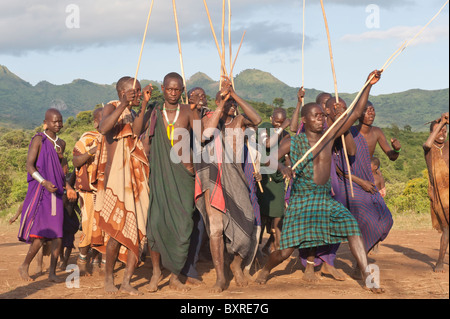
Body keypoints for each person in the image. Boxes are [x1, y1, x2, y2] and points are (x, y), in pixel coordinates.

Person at [256, 70, 385, 294]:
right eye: (316, 116)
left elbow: (354, 113)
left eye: (322, 116)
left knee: (352, 227)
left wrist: (367, 85)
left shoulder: (329, 137)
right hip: (301, 201)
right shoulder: (294, 142)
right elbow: (268, 159)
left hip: (324, 198)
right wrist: (284, 167)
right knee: (285, 251)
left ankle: (368, 278)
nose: (320, 119)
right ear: (304, 120)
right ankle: (266, 269)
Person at [195, 77, 262, 293]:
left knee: (246, 222)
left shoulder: (240, 121)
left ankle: (236, 264)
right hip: (214, 181)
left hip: (236, 180)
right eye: (227, 103)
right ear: (216, 103)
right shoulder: (208, 119)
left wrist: (234, 96)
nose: (231, 106)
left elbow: (257, 118)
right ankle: (220, 277)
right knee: (215, 230)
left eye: (232, 103)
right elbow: (206, 134)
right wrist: (222, 104)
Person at [93, 77, 151, 295]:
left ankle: (127, 281)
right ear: (121, 92)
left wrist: (143, 104)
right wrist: (125, 104)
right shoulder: (111, 107)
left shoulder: (134, 112)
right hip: (115, 181)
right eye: (134, 92)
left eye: (138, 92)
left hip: (136, 179)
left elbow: (136, 132)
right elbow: (104, 128)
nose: (137, 95)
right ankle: (109, 278)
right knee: (117, 233)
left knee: (138, 231)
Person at [146, 72, 201, 292]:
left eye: (177, 89)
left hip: (183, 175)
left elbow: (202, 137)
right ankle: (156, 272)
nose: (172, 93)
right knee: (156, 224)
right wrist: (143, 104)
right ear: (162, 88)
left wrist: (201, 110)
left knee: (183, 225)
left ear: (182, 90)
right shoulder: (154, 112)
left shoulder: (188, 111)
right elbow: (138, 128)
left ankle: (175, 276)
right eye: (169, 89)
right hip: (159, 174)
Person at [18, 108, 77, 282]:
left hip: (57, 193)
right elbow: (30, 166)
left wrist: (68, 187)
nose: (58, 124)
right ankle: (24, 265)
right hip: (41, 191)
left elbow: (60, 172)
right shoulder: (39, 140)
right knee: (41, 233)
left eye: (60, 121)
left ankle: (52, 272)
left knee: (58, 234)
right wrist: (43, 182)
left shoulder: (62, 143)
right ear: (46, 122)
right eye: (54, 121)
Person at [334, 101, 394, 257]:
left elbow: (391, 155)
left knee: (386, 220)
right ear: (358, 114)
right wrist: (359, 182)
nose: (371, 114)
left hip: (368, 178)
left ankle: (364, 253)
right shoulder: (349, 132)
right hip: (350, 179)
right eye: (366, 111)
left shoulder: (377, 132)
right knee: (364, 220)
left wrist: (397, 149)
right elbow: (339, 166)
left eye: (373, 110)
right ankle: (359, 263)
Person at [72, 107, 104, 275]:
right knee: (88, 226)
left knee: (103, 227)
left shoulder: (112, 139)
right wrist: (91, 151)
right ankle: (83, 258)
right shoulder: (86, 139)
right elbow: (76, 161)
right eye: (102, 118)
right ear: (95, 122)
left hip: (106, 191)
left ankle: (98, 260)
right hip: (88, 192)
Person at [257, 108, 291, 255]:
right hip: (263, 177)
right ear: (271, 119)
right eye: (277, 121)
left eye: (282, 122)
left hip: (278, 179)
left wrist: (288, 168)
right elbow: (268, 145)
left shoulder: (286, 135)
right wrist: (282, 128)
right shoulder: (265, 127)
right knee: (263, 215)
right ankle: (256, 248)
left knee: (278, 213)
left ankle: (275, 245)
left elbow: (287, 156)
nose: (278, 124)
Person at [423, 112, 449, 273]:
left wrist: (447, 122)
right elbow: (427, 144)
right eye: (438, 131)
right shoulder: (429, 150)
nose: (442, 134)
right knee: (446, 230)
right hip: (439, 196)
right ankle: (440, 261)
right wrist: (441, 123)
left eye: (445, 131)